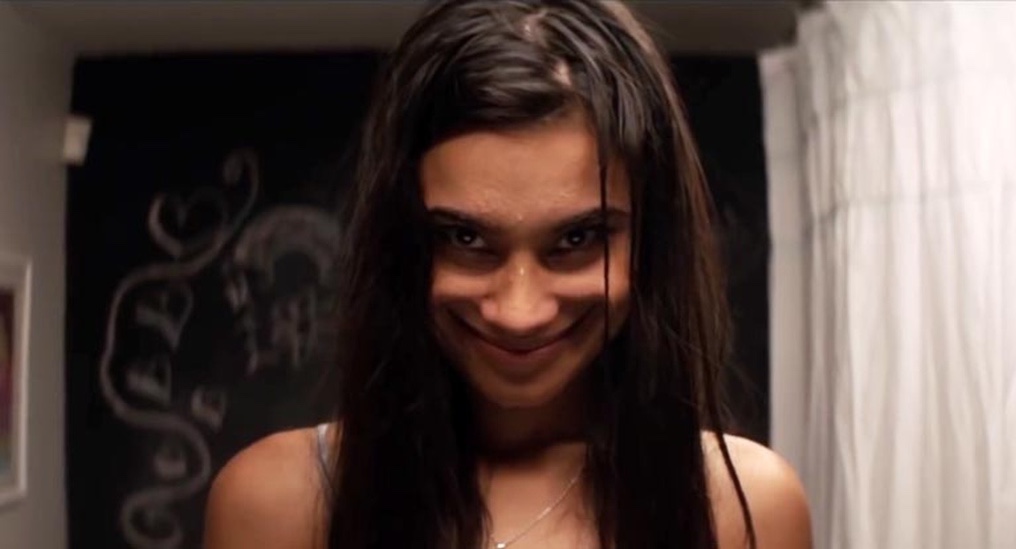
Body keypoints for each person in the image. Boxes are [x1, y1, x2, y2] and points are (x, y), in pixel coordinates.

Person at [204, 1, 811, 548]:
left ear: (651, 242)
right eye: (466, 239)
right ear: (401, 243)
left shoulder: (744, 509)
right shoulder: (278, 504)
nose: (519, 312)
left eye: (576, 240)